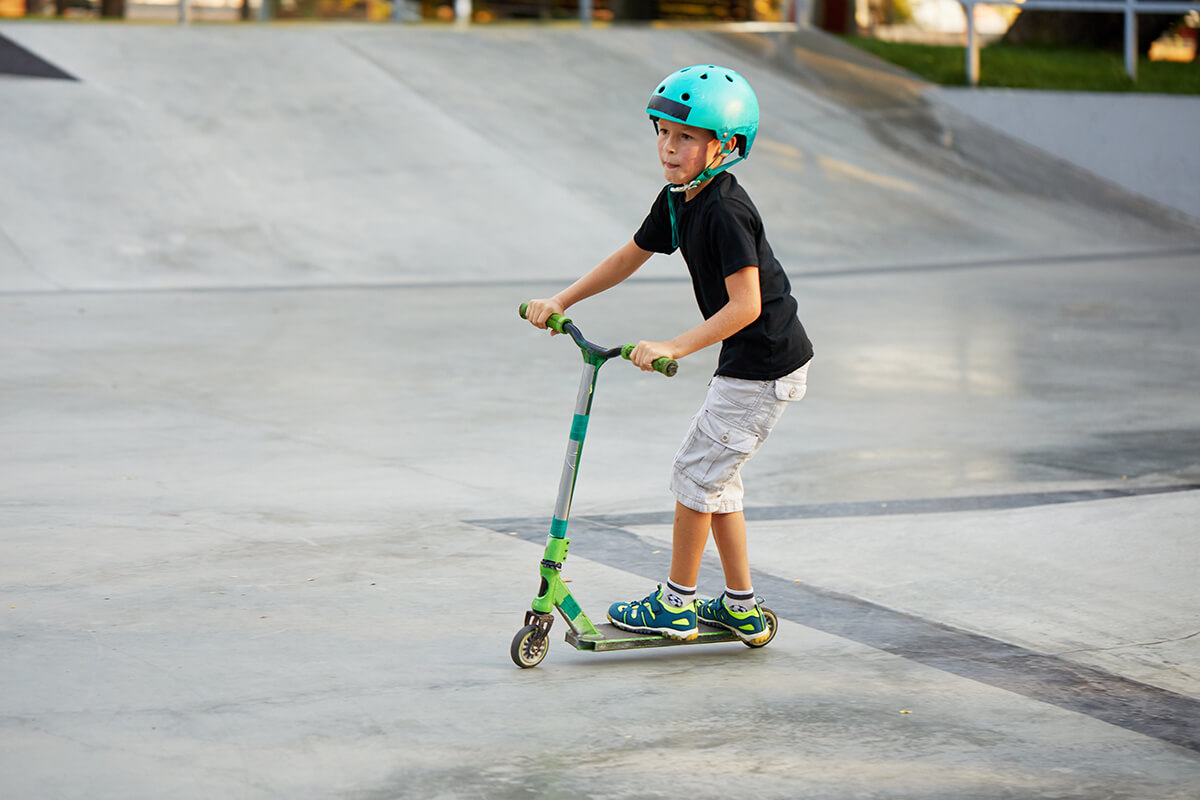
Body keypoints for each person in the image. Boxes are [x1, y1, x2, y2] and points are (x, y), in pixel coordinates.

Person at [524, 64, 813, 645]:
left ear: (724, 146)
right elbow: (629, 256)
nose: (668, 147)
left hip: (764, 364)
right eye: (663, 132)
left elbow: (747, 306)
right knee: (715, 482)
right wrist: (561, 299)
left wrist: (673, 346)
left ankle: (676, 605)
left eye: (685, 137)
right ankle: (740, 606)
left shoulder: (726, 210)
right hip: (751, 363)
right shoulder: (680, 199)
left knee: (693, 476)